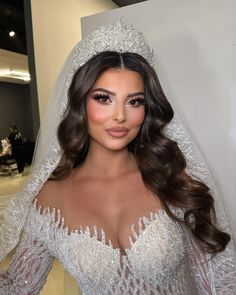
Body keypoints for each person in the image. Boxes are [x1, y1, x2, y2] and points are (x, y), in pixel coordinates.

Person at [0, 20, 236, 295]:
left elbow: (219, 281)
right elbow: (17, 288)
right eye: (103, 98)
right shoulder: (49, 200)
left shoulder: (173, 179)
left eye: (135, 101)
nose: (120, 116)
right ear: (79, 102)